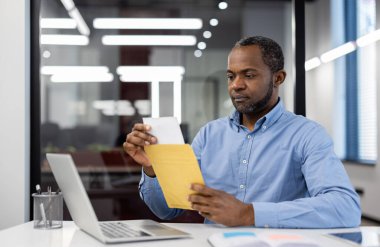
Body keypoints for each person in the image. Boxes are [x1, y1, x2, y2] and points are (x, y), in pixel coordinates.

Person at [123, 36, 361, 228]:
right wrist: (153, 170)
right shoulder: (209, 135)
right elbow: (167, 210)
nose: (236, 84)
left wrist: (251, 214)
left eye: (248, 75)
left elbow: (345, 208)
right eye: (231, 76)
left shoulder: (307, 135)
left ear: (278, 78)